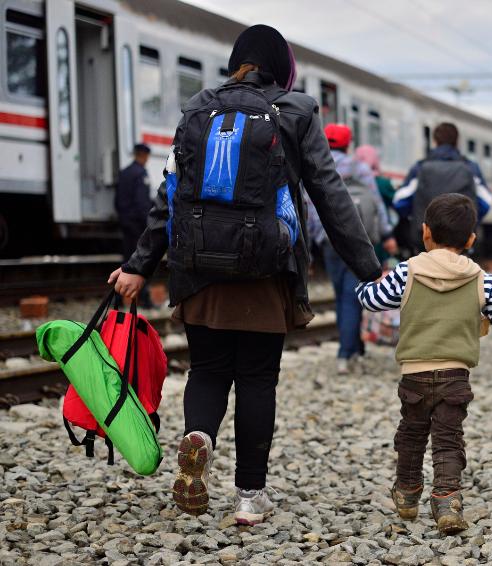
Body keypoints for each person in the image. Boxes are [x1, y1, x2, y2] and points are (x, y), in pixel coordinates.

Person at [107, 25, 381, 527]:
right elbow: (330, 196)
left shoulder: (198, 108)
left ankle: (200, 440)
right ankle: (251, 497)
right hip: (264, 271)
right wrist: (370, 272)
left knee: (208, 371)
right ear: (282, 68)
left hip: (200, 270)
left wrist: (137, 265)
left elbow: (169, 194)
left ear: (236, 61)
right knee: (257, 378)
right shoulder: (296, 111)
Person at [356, 193, 492, 535]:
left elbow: (372, 300)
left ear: (425, 233)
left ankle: (407, 494)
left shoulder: (407, 272)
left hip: (414, 374)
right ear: (472, 239)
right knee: (448, 439)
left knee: (411, 435)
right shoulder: (482, 279)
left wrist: (361, 286)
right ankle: (447, 501)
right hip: (455, 375)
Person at [316, 124, 397, 375]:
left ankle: (352, 350)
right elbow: (377, 203)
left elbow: (309, 204)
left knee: (340, 296)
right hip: (357, 239)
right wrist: (385, 233)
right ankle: (346, 354)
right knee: (352, 297)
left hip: (328, 239)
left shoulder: (317, 164)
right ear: (348, 144)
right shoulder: (359, 168)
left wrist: (312, 236)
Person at [393, 122, 492, 254]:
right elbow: (486, 201)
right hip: (460, 241)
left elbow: (400, 202)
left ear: (435, 141)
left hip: (426, 240)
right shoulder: (470, 168)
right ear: (457, 142)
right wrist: (469, 222)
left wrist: (416, 217)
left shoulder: (420, 167)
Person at [114, 143, 153, 308]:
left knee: (126, 261)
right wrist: (149, 223)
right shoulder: (141, 173)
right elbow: (142, 202)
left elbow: (116, 201)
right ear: (144, 156)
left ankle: (117, 298)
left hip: (125, 223)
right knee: (142, 261)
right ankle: (145, 300)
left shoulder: (124, 172)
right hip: (138, 225)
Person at [355, 144, 398, 263]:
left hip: (358, 229)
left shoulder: (353, 181)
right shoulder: (383, 183)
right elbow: (394, 201)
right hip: (379, 233)